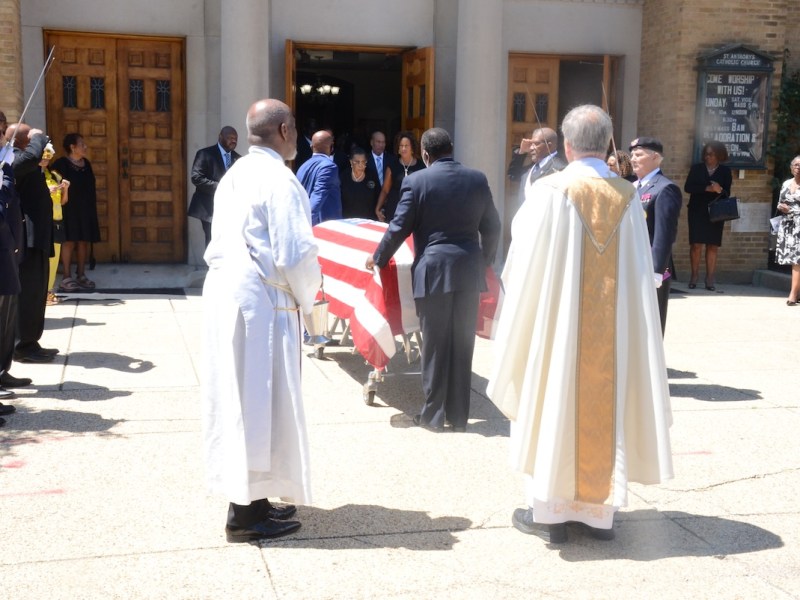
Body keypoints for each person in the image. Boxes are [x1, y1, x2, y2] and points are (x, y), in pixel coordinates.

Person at [487, 104, 673, 545]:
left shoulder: (548, 192)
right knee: (605, 402)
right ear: (608, 143)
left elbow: (519, 267)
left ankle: (550, 512)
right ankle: (597, 516)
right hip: (611, 339)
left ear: (567, 145)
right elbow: (640, 273)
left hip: (556, 329)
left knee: (553, 397)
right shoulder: (628, 198)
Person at [201, 98, 321, 543]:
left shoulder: (233, 175)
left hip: (228, 295)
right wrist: (312, 298)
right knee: (259, 404)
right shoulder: (280, 180)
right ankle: (245, 515)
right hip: (262, 304)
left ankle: (254, 496)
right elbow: (295, 252)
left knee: (241, 402)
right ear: (286, 131)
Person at [366, 127, 500, 432]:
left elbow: (399, 228)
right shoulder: (477, 179)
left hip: (434, 272)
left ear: (425, 154)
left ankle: (433, 416)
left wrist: (379, 257)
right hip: (467, 272)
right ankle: (459, 416)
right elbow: (493, 226)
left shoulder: (416, 181)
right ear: (451, 149)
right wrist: (483, 261)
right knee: (462, 345)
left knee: (436, 345)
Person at [8, 123, 59, 364]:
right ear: (20, 141)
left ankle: (31, 341)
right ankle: (22, 345)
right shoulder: (13, 159)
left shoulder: (29, 159)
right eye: (31, 137)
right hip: (25, 238)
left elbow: (34, 159)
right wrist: (38, 137)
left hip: (37, 235)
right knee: (27, 291)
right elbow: (27, 160)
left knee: (38, 291)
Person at [630, 136, 682, 335]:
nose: (633, 158)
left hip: (651, 266)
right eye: (632, 154)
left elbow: (664, 233)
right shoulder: (633, 187)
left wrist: (656, 271)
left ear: (655, 157)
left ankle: (653, 365)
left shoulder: (665, 188)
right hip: (633, 262)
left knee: (651, 320)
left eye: (639, 154)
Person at [0, 113, 29, 418]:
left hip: (6, 248)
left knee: (5, 320)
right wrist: (5, 175)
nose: (3, 138)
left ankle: (2, 372)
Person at [52, 133, 100, 292]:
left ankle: (81, 274)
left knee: (83, 240)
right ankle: (66, 276)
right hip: (68, 208)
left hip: (85, 209)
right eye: (82, 144)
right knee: (68, 241)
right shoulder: (60, 164)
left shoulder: (86, 164)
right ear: (72, 147)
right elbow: (56, 186)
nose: (85, 147)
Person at [683, 141, 732, 291]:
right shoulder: (697, 169)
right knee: (696, 244)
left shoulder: (725, 171)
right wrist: (707, 188)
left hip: (716, 212)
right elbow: (688, 187)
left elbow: (727, 193)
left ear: (719, 155)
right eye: (706, 153)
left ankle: (710, 277)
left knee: (712, 245)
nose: (707, 157)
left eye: (710, 154)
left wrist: (719, 190)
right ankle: (694, 275)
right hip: (697, 211)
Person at [187, 126, 240, 248]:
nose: (233, 141)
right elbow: (196, 177)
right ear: (220, 137)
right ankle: (211, 267)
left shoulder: (238, 159)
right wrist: (222, 188)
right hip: (208, 207)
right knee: (212, 240)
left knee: (229, 242)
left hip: (230, 208)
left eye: (235, 138)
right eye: (230, 138)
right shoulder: (205, 154)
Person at [507, 127, 567, 209]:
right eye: (531, 144)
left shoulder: (559, 169)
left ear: (549, 146)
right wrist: (521, 151)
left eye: (536, 144)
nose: (531, 148)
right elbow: (513, 175)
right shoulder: (533, 167)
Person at [375, 131, 425, 222]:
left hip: (414, 210)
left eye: (406, 146)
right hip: (394, 210)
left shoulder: (421, 166)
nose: (403, 148)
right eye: (401, 146)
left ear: (412, 148)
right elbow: (385, 190)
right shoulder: (392, 166)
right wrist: (378, 208)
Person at [42, 143, 69, 305]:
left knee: (54, 259)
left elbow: (64, 201)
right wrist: (46, 192)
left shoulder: (54, 175)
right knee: (42, 259)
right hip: (43, 222)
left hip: (57, 221)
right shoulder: (33, 176)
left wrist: (65, 189)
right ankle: (42, 292)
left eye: (47, 158)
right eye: (42, 158)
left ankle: (49, 292)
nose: (45, 160)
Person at [296, 130, 342, 225]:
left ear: (311, 147)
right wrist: (308, 226)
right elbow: (317, 197)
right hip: (323, 226)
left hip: (304, 221)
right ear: (331, 147)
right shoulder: (329, 167)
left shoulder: (302, 167)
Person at [775, 155, 800, 305]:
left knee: (797, 260)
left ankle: (793, 294)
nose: (798, 167)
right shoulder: (786, 184)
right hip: (788, 226)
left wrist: (790, 210)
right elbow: (780, 202)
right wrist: (781, 207)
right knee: (793, 260)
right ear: (791, 168)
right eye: (796, 165)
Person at [339, 146, 380, 219]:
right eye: (357, 162)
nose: (361, 165)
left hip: (368, 220)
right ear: (351, 162)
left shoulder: (371, 175)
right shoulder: (343, 177)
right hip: (348, 220)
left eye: (363, 162)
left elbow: (378, 195)